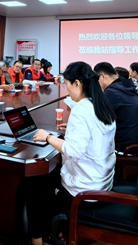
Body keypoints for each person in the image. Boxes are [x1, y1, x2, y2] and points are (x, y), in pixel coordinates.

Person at [27, 62, 116, 244]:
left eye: (66, 84)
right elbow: (95, 133)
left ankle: (37, 239)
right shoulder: (101, 103)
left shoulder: (81, 110)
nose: (66, 90)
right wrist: (72, 130)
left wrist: (47, 137)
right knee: (49, 174)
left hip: (84, 191)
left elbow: (74, 151)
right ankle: (58, 229)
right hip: (103, 181)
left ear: (77, 83)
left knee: (35, 183)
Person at [94, 62, 138, 152]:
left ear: (103, 76)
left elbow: (98, 120)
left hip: (123, 147)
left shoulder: (112, 92)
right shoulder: (126, 87)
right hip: (135, 140)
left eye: (97, 80)